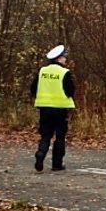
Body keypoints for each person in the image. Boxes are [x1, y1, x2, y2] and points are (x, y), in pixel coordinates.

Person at [30, 44, 75, 173]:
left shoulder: (42, 71)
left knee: (45, 135)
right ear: (59, 59)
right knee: (60, 136)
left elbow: (33, 89)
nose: (65, 60)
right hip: (61, 109)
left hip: (44, 109)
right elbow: (70, 91)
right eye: (64, 57)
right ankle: (57, 164)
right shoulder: (64, 72)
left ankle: (41, 153)